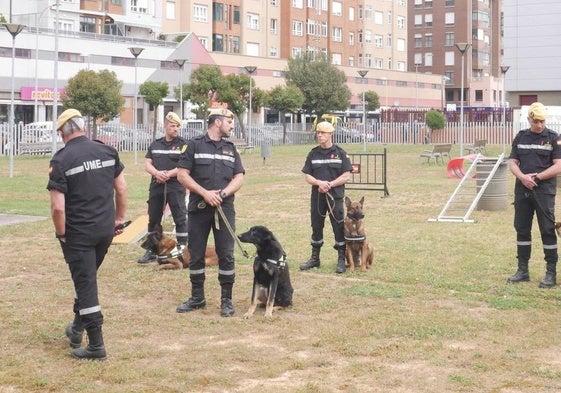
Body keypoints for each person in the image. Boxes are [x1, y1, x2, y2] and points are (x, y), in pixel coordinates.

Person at [47, 109, 127, 360]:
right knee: (87, 279)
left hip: (79, 234)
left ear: (62, 133)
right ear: (83, 127)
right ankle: (77, 327)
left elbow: (58, 207)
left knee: (86, 284)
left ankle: (96, 346)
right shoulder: (106, 151)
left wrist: (62, 235)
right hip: (105, 230)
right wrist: (119, 219)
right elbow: (122, 190)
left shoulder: (61, 160)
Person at [175, 108, 245, 317]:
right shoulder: (194, 145)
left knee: (226, 254)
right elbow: (182, 175)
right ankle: (197, 298)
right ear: (217, 122)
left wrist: (222, 194)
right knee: (195, 254)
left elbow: (239, 177)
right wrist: (205, 193)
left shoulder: (231, 149)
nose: (232, 126)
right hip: (199, 208)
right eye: (229, 122)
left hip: (224, 208)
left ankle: (226, 300)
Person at [507, 102, 561, 288]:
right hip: (522, 190)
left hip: (544, 192)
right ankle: (523, 270)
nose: (539, 125)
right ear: (529, 119)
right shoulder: (521, 137)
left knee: (547, 230)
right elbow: (513, 162)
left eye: (542, 121)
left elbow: (558, 165)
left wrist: (537, 178)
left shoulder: (553, 138)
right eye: (536, 121)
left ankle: (551, 273)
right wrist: (523, 177)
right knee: (522, 229)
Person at [300, 120, 353, 274]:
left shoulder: (340, 153)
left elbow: (346, 175)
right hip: (317, 197)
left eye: (323, 132)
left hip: (334, 196)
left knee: (338, 227)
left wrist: (329, 184)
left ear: (331, 134)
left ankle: (341, 259)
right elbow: (307, 175)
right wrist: (319, 183)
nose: (320, 135)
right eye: (318, 132)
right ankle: (315, 258)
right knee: (316, 226)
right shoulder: (313, 153)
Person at [138, 111, 188, 263]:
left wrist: (168, 174)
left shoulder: (183, 145)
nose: (175, 129)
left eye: (177, 127)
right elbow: (147, 163)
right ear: (165, 126)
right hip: (157, 186)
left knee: (180, 218)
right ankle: (151, 251)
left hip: (175, 186)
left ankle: (182, 250)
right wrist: (156, 173)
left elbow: (183, 165)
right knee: (154, 219)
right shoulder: (156, 144)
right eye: (172, 126)